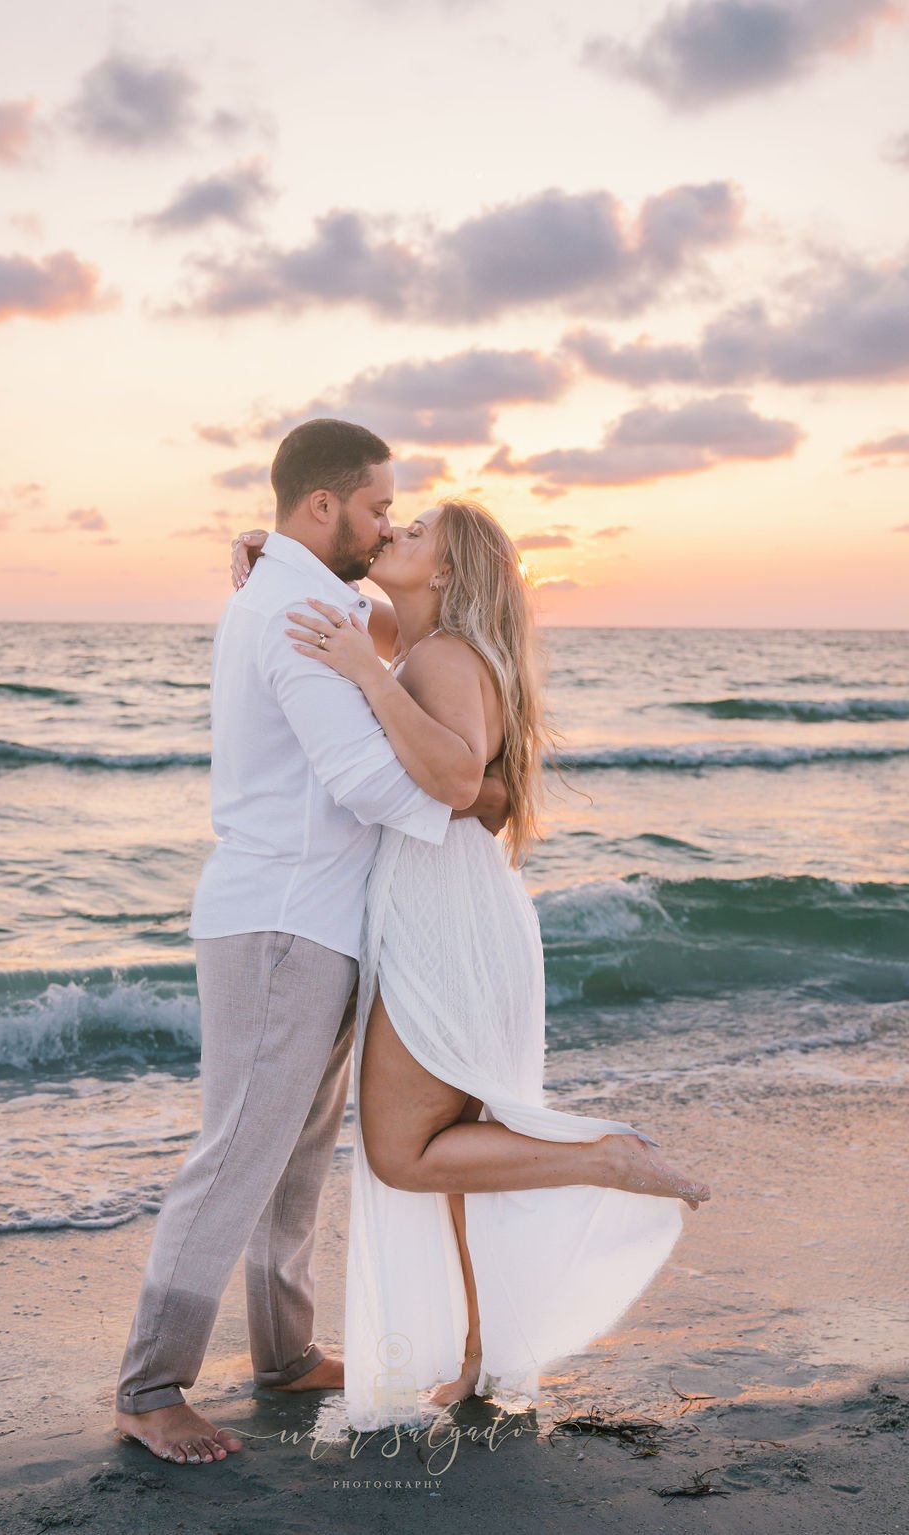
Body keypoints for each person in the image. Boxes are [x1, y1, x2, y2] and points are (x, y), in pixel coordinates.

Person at [266, 496, 712, 1429]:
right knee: (462, 1160)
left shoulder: (437, 658)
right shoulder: (439, 645)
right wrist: (282, 559)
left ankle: (604, 1156)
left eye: (416, 531)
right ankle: (476, 1358)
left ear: (447, 573)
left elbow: (464, 777)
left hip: (444, 926)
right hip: (468, 917)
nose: (395, 533)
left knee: (401, 1154)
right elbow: (481, 775)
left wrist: (364, 673)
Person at [113, 420, 508, 1467]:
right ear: (323, 504)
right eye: (380, 505)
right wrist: (467, 798)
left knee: (288, 1156)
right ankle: (150, 1386)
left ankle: (284, 1351)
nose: (389, 524)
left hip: (318, 920)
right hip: (280, 919)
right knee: (240, 1150)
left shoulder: (306, 591)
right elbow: (366, 779)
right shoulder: (293, 605)